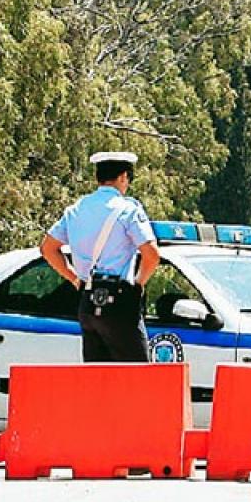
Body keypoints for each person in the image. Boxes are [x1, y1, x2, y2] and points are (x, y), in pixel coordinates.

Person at [41, 151, 161, 362]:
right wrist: (138, 285)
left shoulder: (76, 210)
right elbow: (152, 255)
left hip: (88, 301)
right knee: (139, 379)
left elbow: (48, 248)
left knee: (98, 380)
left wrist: (75, 279)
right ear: (124, 176)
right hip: (120, 300)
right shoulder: (128, 210)